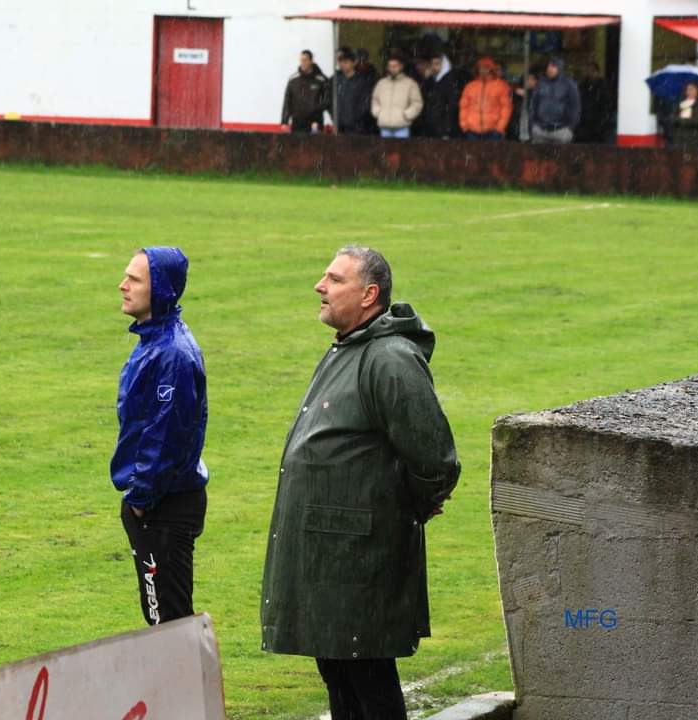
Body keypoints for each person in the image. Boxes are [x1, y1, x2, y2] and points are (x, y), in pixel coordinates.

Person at [261, 246, 460, 720]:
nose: (319, 286)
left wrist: (409, 504)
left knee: (367, 683)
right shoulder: (351, 347)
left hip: (357, 564)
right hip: (334, 561)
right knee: (341, 678)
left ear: (369, 295)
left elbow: (436, 461)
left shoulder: (388, 359)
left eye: (334, 279)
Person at [113, 247, 209, 626]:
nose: (122, 286)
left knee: (166, 623)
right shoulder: (156, 343)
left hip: (162, 505)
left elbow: (165, 437)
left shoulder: (171, 354)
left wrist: (139, 499)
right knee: (164, 620)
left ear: (162, 290)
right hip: (157, 502)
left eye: (134, 280)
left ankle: (182, 688)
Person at [458, 56, 513, 141]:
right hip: (472, 131)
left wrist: (499, 128)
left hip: (493, 132)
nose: (483, 70)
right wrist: (465, 126)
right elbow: (463, 107)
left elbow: (506, 108)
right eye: (481, 67)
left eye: (486, 67)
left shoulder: (501, 86)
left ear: (491, 69)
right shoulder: (470, 86)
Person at [371, 54, 423, 139]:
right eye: (390, 66)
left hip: (402, 127)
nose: (392, 69)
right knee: (385, 151)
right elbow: (375, 100)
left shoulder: (410, 83)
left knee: (401, 152)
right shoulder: (381, 83)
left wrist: (406, 115)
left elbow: (417, 103)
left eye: (395, 66)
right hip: (384, 126)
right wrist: (378, 112)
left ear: (401, 66)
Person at [530, 57, 580, 144]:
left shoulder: (569, 85)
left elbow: (575, 107)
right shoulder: (541, 83)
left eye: (553, 66)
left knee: (561, 157)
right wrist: (533, 124)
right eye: (549, 66)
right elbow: (534, 104)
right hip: (540, 130)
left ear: (559, 68)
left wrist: (570, 128)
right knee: (538, 157)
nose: (549, 69)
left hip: (561, 131)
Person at [281, 50, 329, 134]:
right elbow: (287, 101)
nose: (303, 63)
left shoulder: (321, 79)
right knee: (296, 146)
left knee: (315, 146)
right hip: (297, 122)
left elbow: (327, 100)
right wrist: (284, 122)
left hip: (315, 122)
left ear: (311, 61)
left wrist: (316, 112)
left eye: (305, 60)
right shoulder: (293, 80)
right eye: (301, 60)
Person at [420, 52, 462, 138]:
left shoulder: (450, 82)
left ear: (443, 65)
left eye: (437, 64)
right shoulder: (430, 81)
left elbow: (451, 107)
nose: (433, 67)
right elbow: (424, 100)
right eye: (432, 64)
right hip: (430, 126)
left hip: (442, 128)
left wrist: (446, 129)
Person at [334, 48, 373, 135]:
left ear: (354, 63)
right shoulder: (338, 80)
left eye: (346, 62)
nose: (343, 65)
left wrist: (355, 118)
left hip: (356, 127)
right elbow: (332, 100)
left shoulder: (361, 81)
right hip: (339, 125)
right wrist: (335, 116)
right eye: (341, 62)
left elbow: (365, 103)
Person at [575, 62, 613, 144]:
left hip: (598, 123)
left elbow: (607, 105)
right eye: (587, 70)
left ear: (597, 72)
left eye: (592, 70)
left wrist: (602, 121)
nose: (589, 73)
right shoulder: (582, 86)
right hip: (584, 122)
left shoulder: (603, 86)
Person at [672, 81, 698, 149]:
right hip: (679, 140)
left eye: (691, 89)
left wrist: (681, 120)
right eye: (687, 89)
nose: (688, 92)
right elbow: (673, 118)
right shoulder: (680, 104)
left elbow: (697, 121)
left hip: (694, 141)